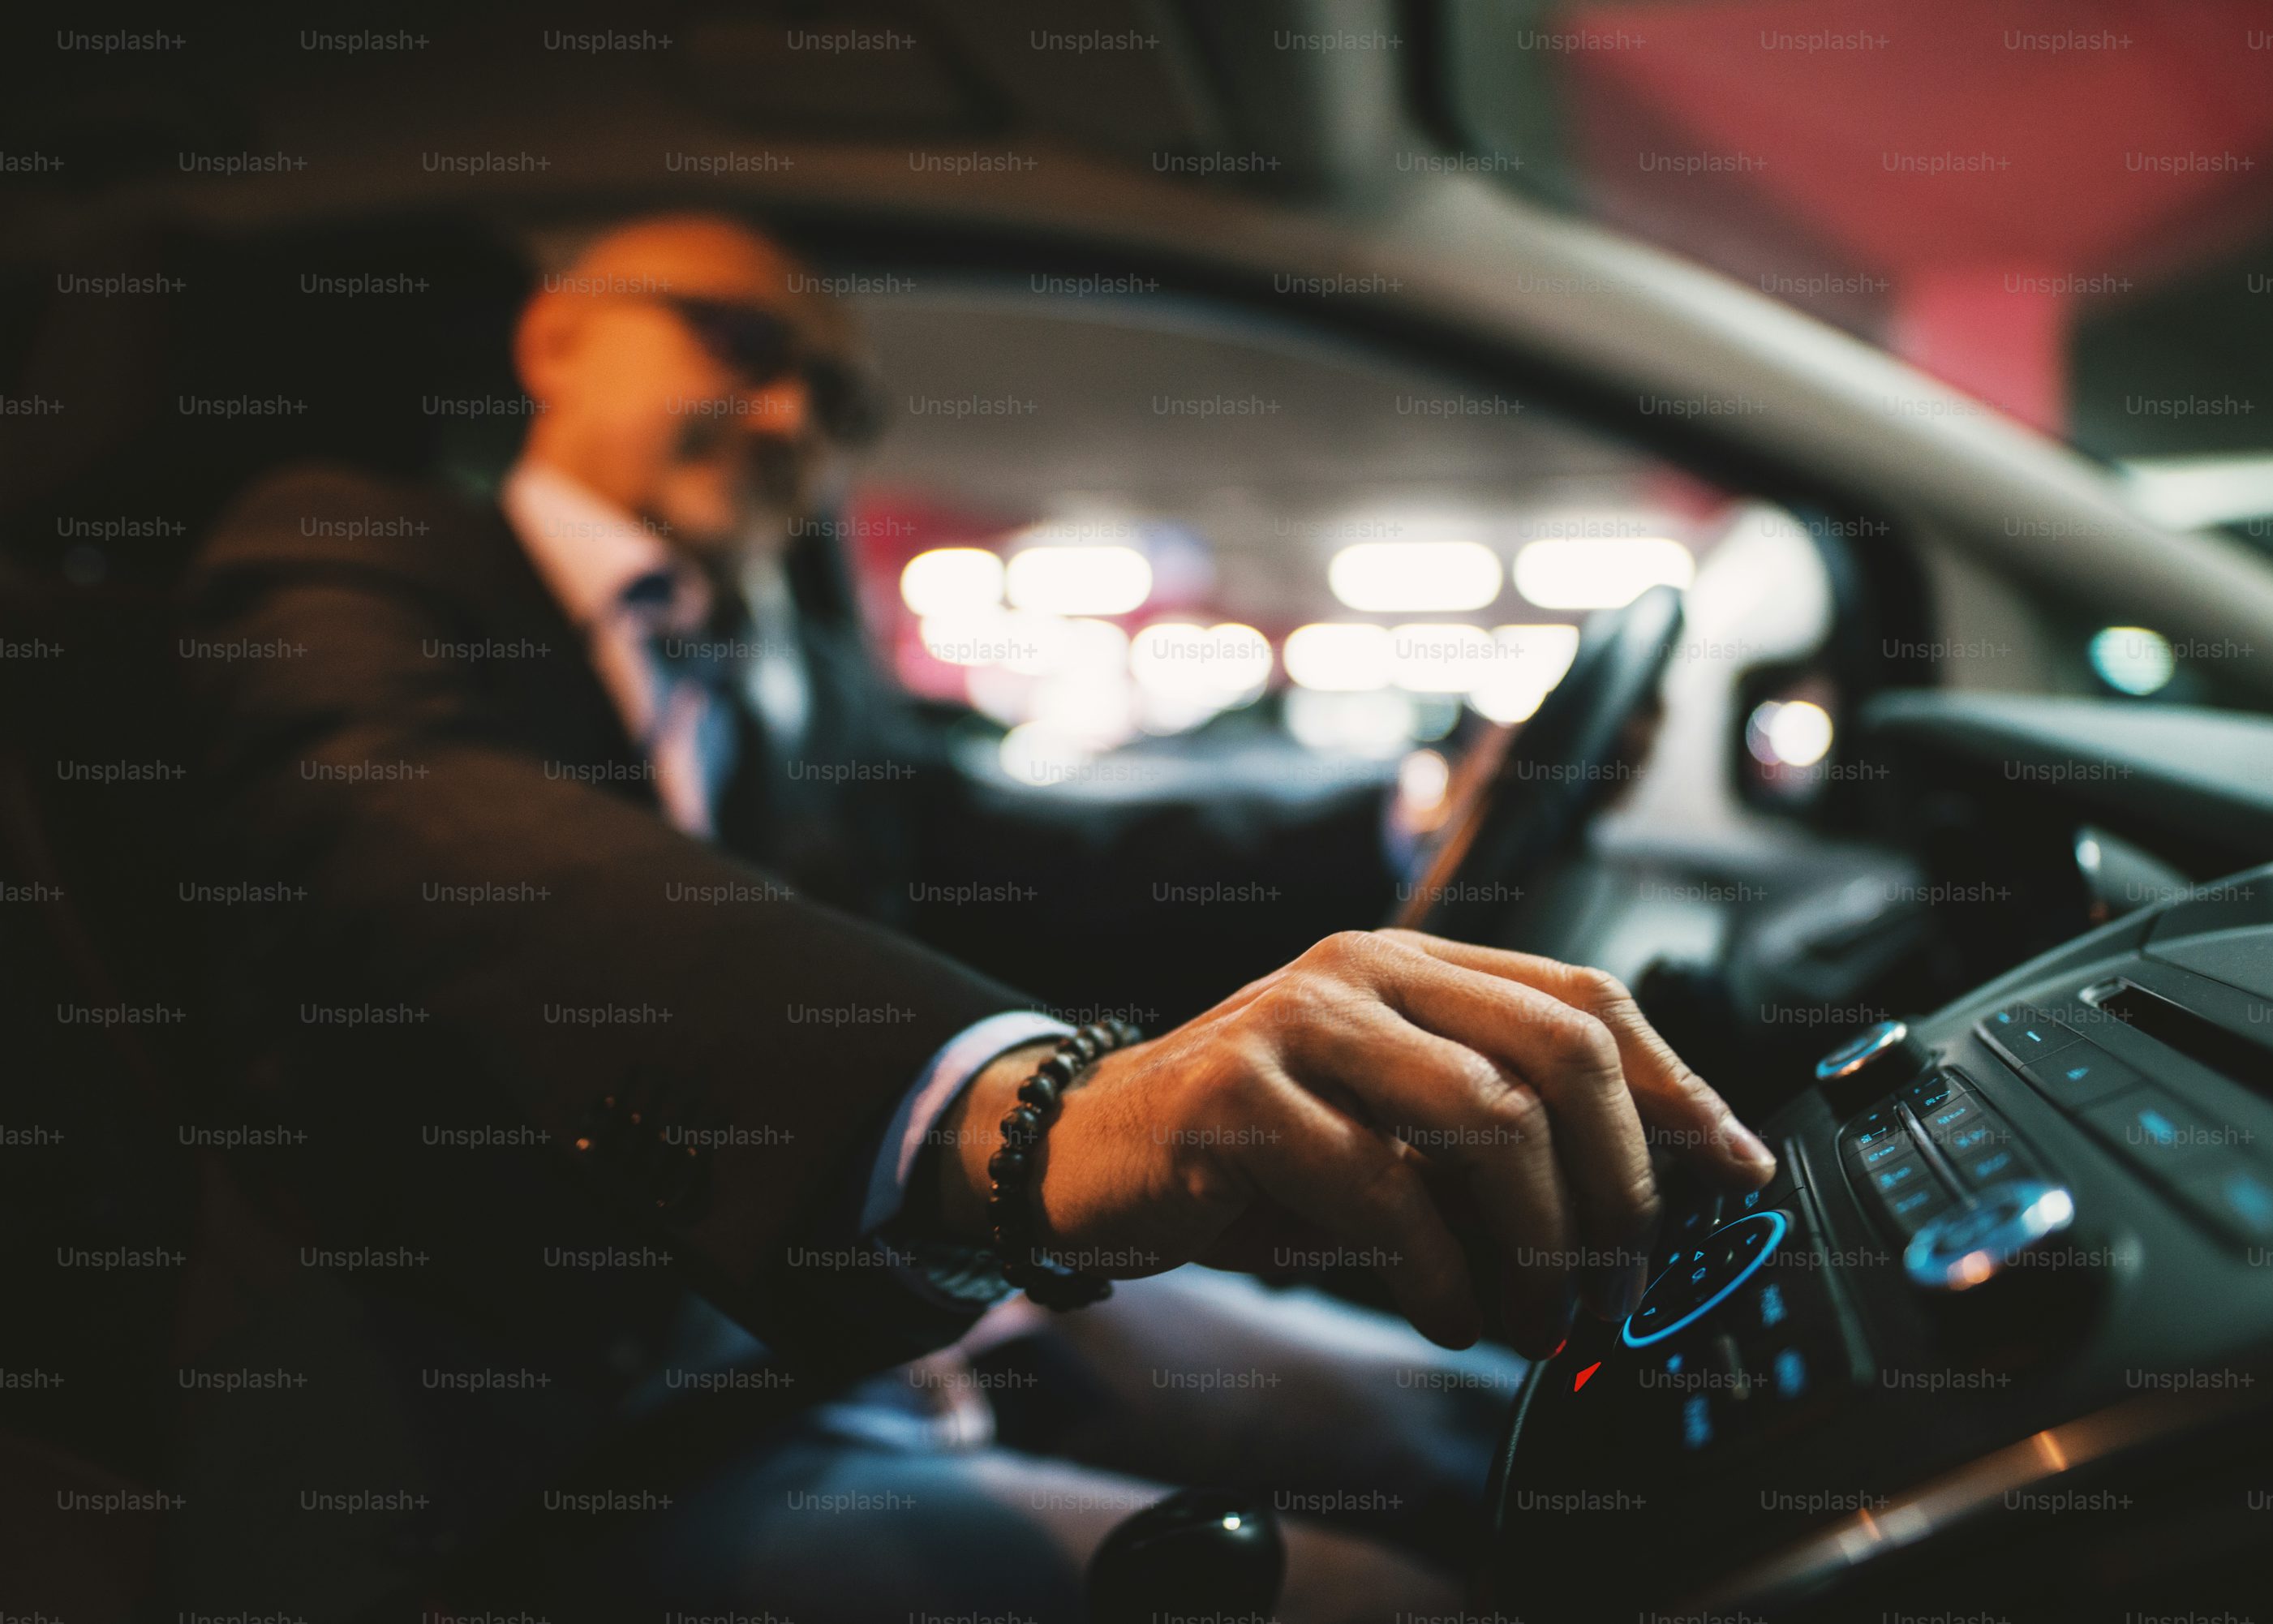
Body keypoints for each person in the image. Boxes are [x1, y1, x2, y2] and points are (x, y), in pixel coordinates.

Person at [170, 215, 1776, 1622]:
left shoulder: (779, 635)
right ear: (557, 333)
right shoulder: (348, 549)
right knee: (1385, 1602)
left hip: (892, 1308)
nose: (794, 410)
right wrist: (1032, 1110)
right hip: (587, 1422)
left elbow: (1001, 826)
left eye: (838, 395)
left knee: (1485, 1424)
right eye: (738, 341)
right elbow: (460, 850)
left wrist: (1403, 809)